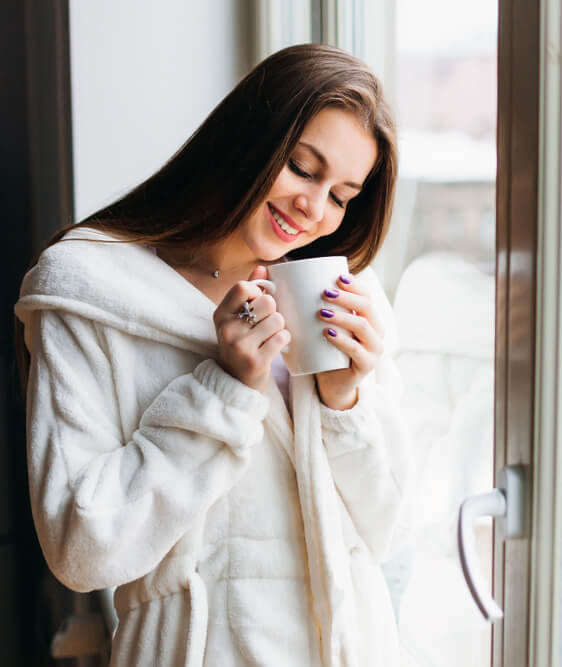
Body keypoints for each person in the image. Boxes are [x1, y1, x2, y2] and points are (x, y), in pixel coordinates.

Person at [15, 44, 410, 666]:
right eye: (304, 169)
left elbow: (386, 532)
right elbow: (79, 551)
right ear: (247, 142)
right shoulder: (95, 295)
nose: (314, 210)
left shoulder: (339, 300)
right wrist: (222, 389)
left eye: (342, 195)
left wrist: (345, 401)